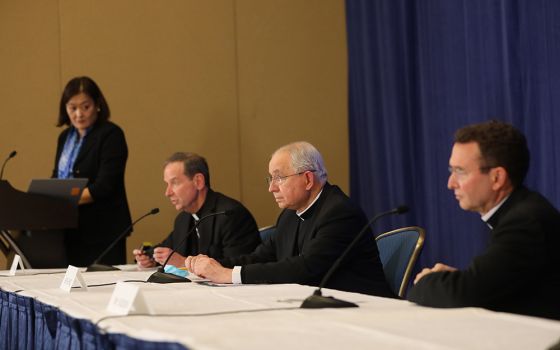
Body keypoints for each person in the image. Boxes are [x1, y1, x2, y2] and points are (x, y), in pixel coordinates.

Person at [184, 142, 394, 297]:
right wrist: (212, 266)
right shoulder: (289, 215)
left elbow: (305, 268)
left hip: (366, 310)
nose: (271, 187)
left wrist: (229, 275)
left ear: (308, 179)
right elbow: (261, 257)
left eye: (279, 178)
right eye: (270, 178)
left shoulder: (339, 213)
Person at [407, 120, 560, 320]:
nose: (451, 183)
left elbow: (464, 294)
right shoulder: (518, 212)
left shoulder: (525, 222)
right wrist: (459, 281)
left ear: (497, 178)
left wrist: (428, 281)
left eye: (460, 171)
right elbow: (490, 288)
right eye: (450, 171)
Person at [53, 76, 132, 266]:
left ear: (97, 105)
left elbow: (104, 186)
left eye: (85, 106)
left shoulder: (111, 134)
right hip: (69, 227)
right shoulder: (65, 137)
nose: (79, 114)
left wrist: (65, 199)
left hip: (103, 229)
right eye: (72, 107)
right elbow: (56, 177)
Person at [133, 152, 261, 268]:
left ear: (198, 181)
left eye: (175, 183)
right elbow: (167, 247)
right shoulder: (183, 218)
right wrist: (150, 257)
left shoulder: (230, 214)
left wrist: (184, 263)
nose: (168, 192)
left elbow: (239, 265)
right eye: (167, 184)